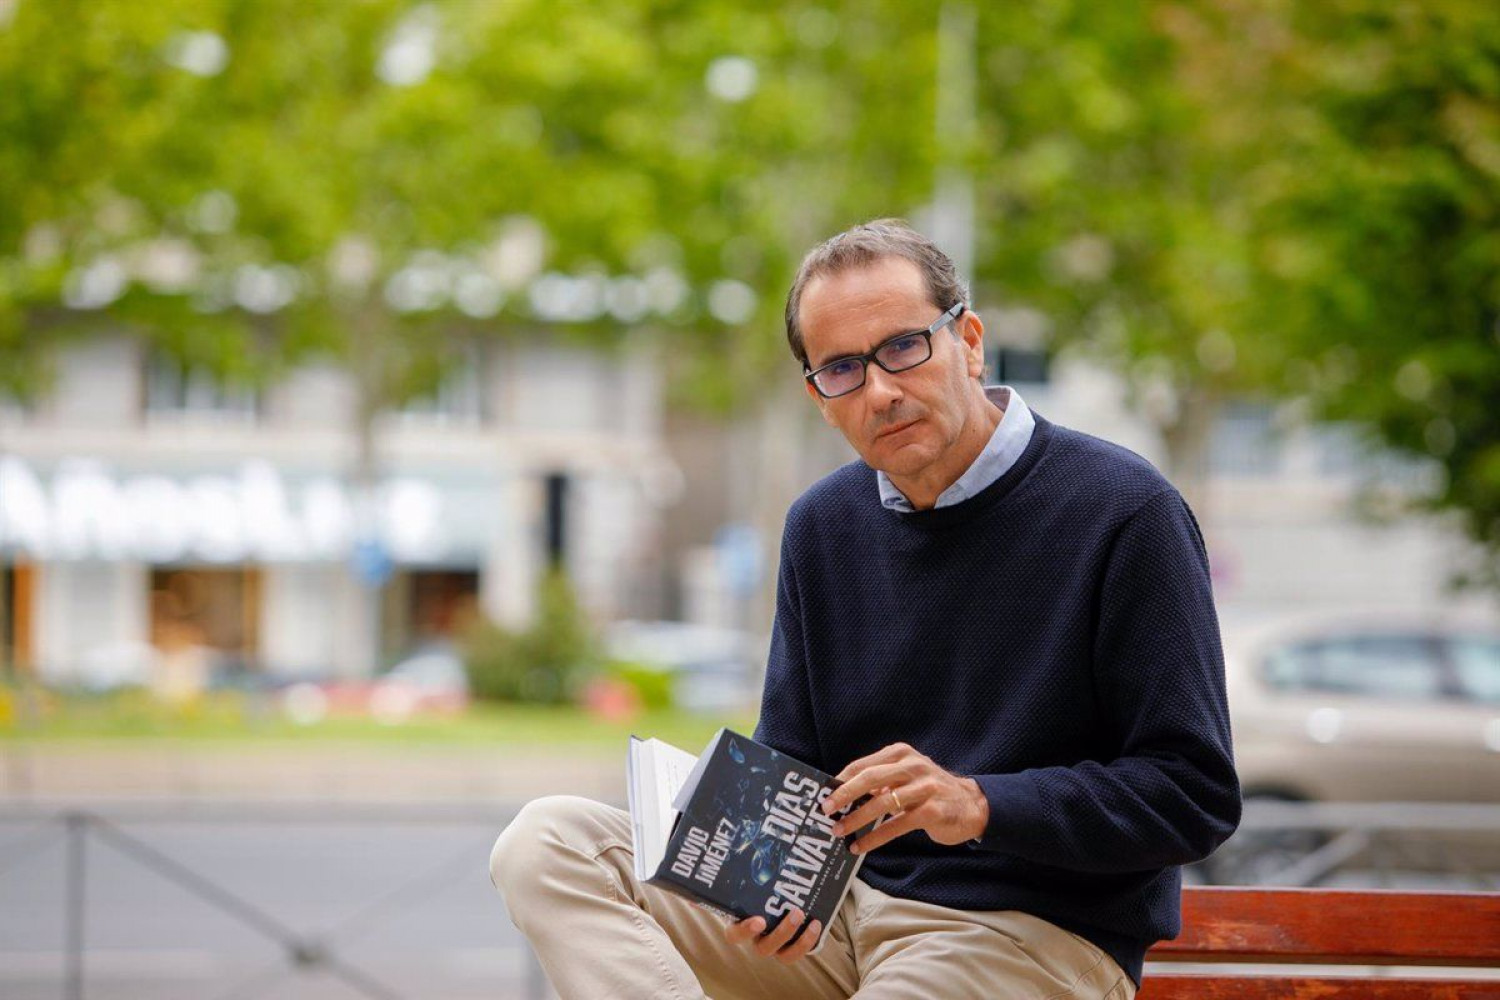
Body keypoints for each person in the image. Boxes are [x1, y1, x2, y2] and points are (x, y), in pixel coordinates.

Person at [490, 219, 1241, 999]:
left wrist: (979, 803)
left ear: (971, 341)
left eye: (903, 347)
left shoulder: (1125, 510)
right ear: (819, 397)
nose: (880, 390)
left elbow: (1194, 794)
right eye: (843, 369)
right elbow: (794, 765)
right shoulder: (823, 525)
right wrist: (764, 877)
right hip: (841, 918)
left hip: (1026, 937)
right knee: (548, 844)